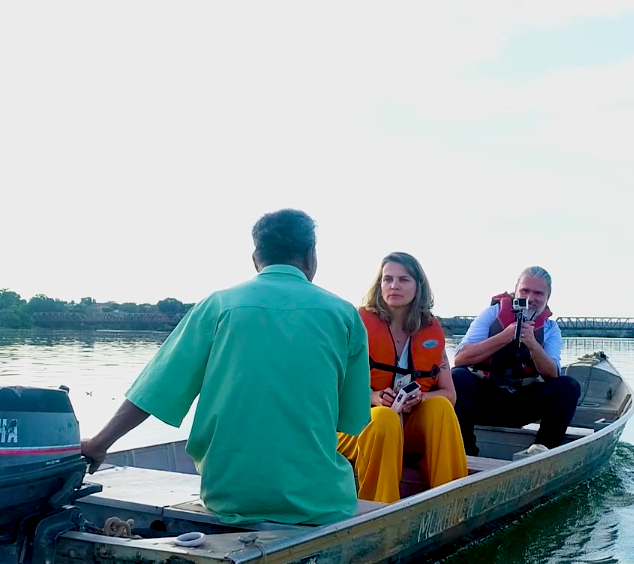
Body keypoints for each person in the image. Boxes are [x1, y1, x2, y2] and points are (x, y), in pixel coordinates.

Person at [80, 209, 371, 526]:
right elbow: (351, 420)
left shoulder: (217, 307)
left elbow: (153, 392)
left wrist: (98, 444)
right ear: (311, 257)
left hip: (229, 496)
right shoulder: (344, 315)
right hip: (319, 502)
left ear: (255, 257)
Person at [337, 253, 468, 502]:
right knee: (384, 417)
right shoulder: (357, 327)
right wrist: (374, 397)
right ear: (379, 285)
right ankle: (380, 512)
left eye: (403, 279)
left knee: (439, 406)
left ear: (418, 286)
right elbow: (333, 391)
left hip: (409, 430)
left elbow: (449, 394)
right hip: (360, 429)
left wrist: (419, 398)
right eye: (387, 279)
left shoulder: (431, 331)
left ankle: (452, 501)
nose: (394, 286)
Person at [450, 266, 580, 456]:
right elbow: (460, 358)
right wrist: (505, 336)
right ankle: (465, 451)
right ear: (515, 291)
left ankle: (541, 450)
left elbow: (552, 373)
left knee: (569, 386)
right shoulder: (491, 314)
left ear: (547, 297)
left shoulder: (551, 328)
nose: (530, 298)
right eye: (525, 291)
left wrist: (533, 344)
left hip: (521, 403)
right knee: (458, 377)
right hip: (486, 399)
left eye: (538, 293)